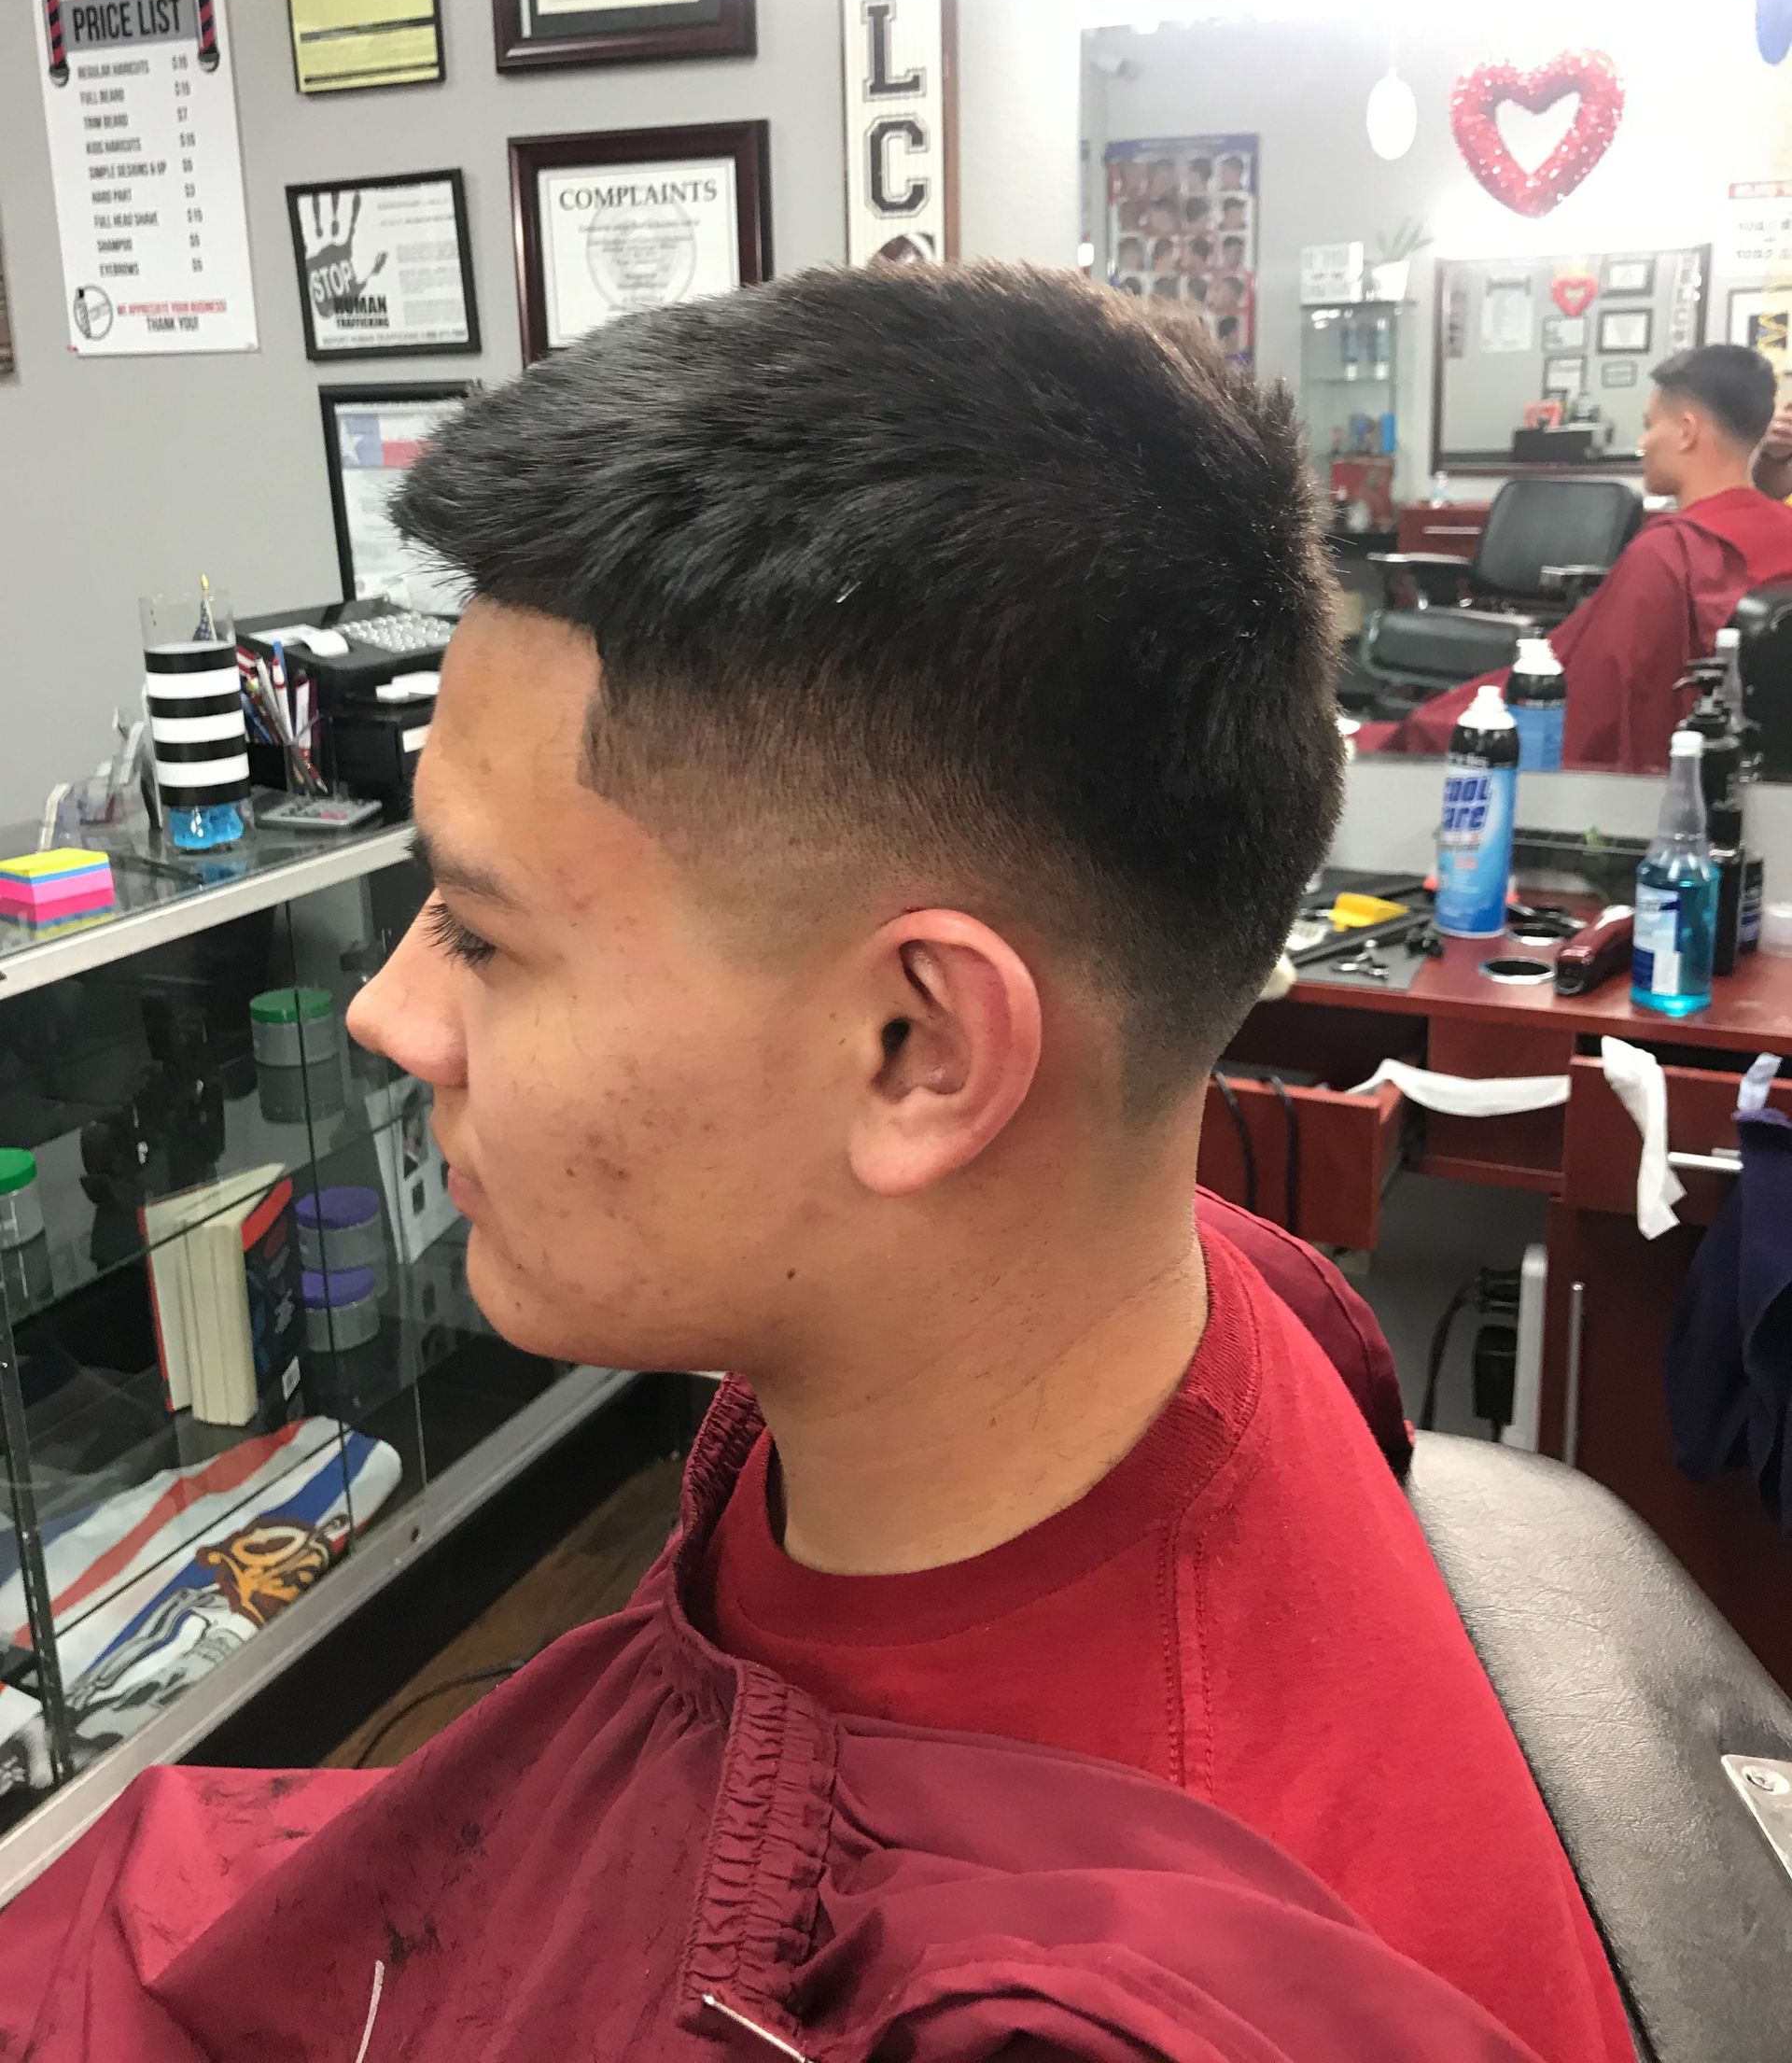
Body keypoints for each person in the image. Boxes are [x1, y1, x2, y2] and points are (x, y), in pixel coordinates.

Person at [1, 269, 1629, 2063]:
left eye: (477, 933)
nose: (389, 1015)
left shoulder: (1036, 2011)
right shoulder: (1150, 1309)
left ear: (916, 1051)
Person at [1365, 344, 1792, 767]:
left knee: (1428, 728)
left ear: (1686, 431)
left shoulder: (1670, 552)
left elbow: (1587, 711)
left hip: (1651, 781)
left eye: (1649, 426)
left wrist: (1432, 726)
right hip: (1751, 771)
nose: (1643, 443)